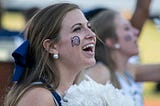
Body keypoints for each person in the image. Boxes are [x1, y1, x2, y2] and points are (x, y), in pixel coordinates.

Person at [4, 3, 97, 106]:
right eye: (77, 29)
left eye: (89, 27)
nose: (92, 34)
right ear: (52, 46)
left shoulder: (71, 91)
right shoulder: (39, 97)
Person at [75, 9, 160, 106]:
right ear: (111, 41)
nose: (136, 32)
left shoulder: (129, 70)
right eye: (126, 28)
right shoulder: (101, 72)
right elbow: (76, 100)